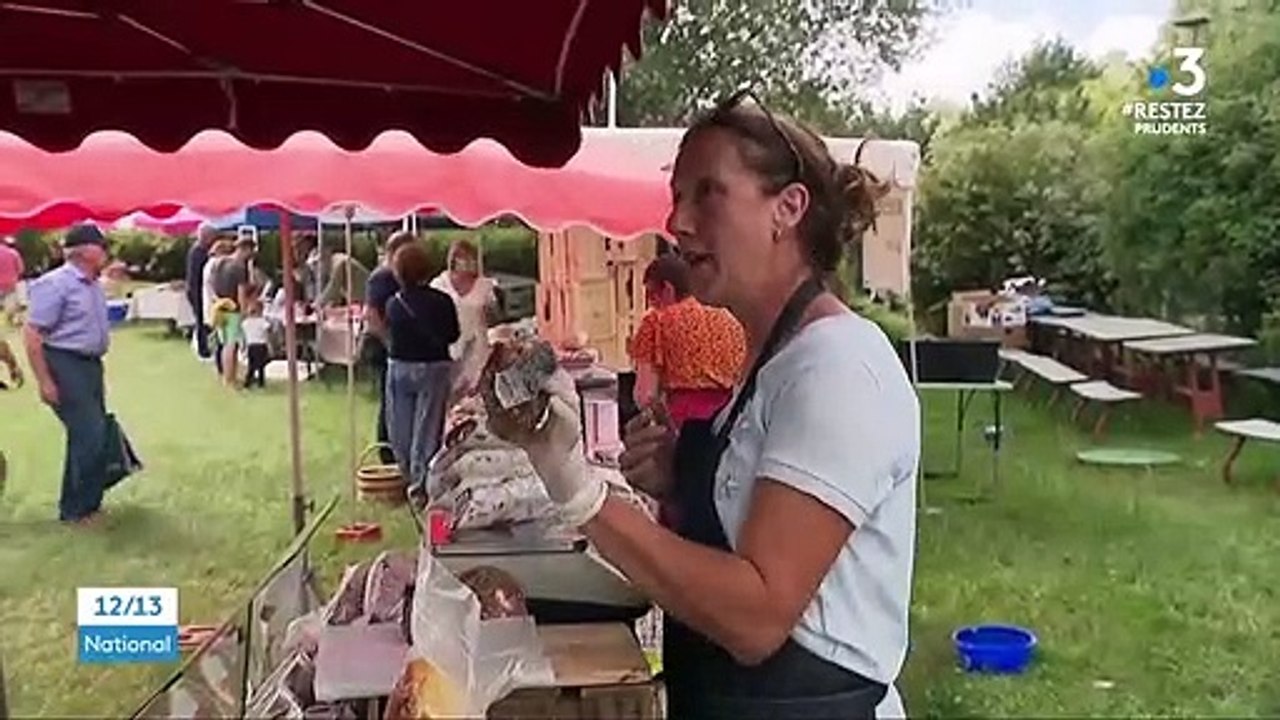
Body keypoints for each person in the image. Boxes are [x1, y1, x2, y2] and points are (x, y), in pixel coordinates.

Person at [488, 93, 919, 719]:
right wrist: (684, 478)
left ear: (788, 209)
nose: (678, 221)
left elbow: (756, 617)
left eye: (707, 194)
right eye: (676, 197)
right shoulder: (771, 357)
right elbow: (754, 521)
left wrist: (577, 488)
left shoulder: (837, 368)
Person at [22, 224, 114, 526]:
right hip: (65, 362)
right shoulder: (56, 284)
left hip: (89, 365)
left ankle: (88, 505)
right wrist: (45, 380)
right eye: (101, 247)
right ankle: (77, 510)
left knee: (93, 433)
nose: (106, 252)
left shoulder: (92, 284)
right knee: (89, 434)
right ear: (84, 251)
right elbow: (33, 334)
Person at [629, 254, 746, 430]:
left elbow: (645, 395)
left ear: (668, 289)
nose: (651, 303)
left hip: (682, 424)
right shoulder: (730, 319)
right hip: (729, 423)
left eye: (651, 294)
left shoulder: (656, 321)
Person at [384, 242, 459, 493]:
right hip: (434, 365)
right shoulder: (443, 301)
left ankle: (406, 470)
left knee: (400, 424)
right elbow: (453, 335)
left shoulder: (393, 304)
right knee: (428, 426)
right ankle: (422, 480)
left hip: (400, 366)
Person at [364, 231, 417, 464]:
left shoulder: (398, 276)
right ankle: (387, 452)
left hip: (401, 346)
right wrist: (390, 343)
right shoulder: (382, 278)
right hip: (384, 345)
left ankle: (400, 449)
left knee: (399, 401)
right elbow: (373, 315)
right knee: (389, 401)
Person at [430, 238, 499, 396]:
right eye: (462, 258)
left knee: (472, 394)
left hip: (477, 345)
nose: (467, 263)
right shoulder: (440, 284)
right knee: (447, 393)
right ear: (453, 260)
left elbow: (493, 315)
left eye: (470, 258)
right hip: (449, 345)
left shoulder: (484, 285)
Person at [211, 237, 257, 386]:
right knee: (232, 344)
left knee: (224, 342)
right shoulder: (239, 267)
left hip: (219, 307)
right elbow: (241, 291)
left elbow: (212, 284)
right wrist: (244, 311)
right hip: (233, 309)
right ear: (246, 249)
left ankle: (227, 376)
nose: (251, 256)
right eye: (251, 252)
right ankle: (230, 379)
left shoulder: (219, 263)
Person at [184, 223, 217, 359]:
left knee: (204, 319)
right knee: (201, 319)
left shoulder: (201, 251)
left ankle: (205, 345)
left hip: (198, 289)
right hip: (196, 290)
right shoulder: (198, 252)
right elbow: (196, 276)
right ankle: (203, 349)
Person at [202, 239, 234, 375]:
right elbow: (215, 285)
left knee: (218, 337)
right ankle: (222, 368)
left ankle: (220, 366)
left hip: (212, 303)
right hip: (218, 304)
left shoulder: (209, 264)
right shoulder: (217, 264)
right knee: (222, 339)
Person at [241, 301, 270, 389]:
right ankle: (260, 382)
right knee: (261, 366)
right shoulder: (262, 321)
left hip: (251, 346)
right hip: (261, 345)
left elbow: (244, 336)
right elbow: (268, 329)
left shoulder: (245, 323)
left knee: (251, 364)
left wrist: (243, 347)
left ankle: (248, 381)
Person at [0, 236, 24, 327]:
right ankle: (14, 319)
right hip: (11, 282)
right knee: (12, 300)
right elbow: (21, 269)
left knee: (5, 301)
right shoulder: (13, 253)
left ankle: (10, 317)